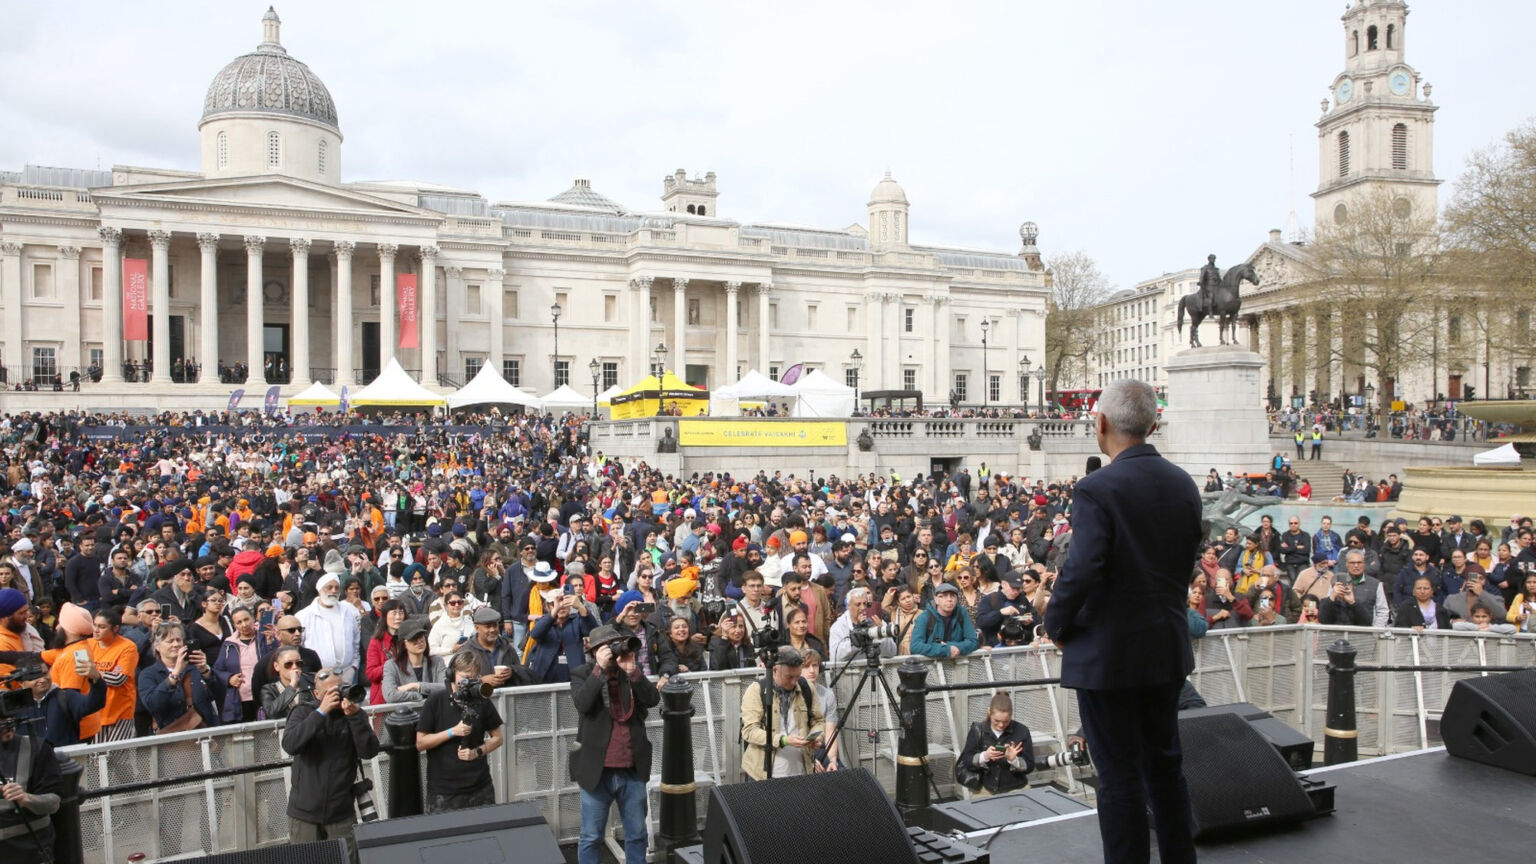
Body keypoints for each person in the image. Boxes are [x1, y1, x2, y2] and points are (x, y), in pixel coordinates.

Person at [1042, 379, 1200, 864]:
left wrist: (1056, 624)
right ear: (1153, 424)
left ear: (1101, 423)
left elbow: (1082, 568)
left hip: (1109, 659)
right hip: (1166, 649)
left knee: (1118, 779)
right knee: (1166, 769)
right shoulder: (1184, 483)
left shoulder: (1096, 489)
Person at [570, 624, 660, 864]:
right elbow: (582, 704)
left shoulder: (630, 671)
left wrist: (632, 671)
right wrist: (599, 669)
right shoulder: (582, 673)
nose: (614, 651)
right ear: (594, 651)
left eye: (616, 645)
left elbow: (653, 700)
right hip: (596, 771)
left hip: (632, 769)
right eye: (607, 647)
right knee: (591, 836)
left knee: (637, 835)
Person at [282, 666, 381, 861]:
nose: (337, 695)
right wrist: (321, 712)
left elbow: (369, 751)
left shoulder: (354, 715)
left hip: (341, 813)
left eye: (340, 688)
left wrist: (355, 717)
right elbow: (290, 744)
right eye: (330, 692)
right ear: (317, 694)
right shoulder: (303, 712)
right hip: (304, 815)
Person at [416, 650, 504, 813]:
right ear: (452, 674)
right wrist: (452, 732)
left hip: (480, 787)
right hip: (444, 791)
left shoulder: (481, 700)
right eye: (464, 677)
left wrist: (478, 752)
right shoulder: (436, 701)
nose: (468, 683)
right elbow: (421, 743)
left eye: (473, 678)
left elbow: (498, 738)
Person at [740, 645, 824, 781]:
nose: (793, 682)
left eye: (797, 676)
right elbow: (749, 731)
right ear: (774, 670)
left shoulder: (806, 687)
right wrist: (783, 740)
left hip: (802, 771)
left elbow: (819, 721)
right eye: (789, 677)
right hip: (763, 774)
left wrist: (817, 737)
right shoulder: (757, 690)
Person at [0, 702, 62, 861]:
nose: (7, 727)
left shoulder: (37, 748)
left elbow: (54, 802)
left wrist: (25, 798)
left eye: (8, 720)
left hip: (30, 848)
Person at [138, 620, 226, 731]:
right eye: (170, 641)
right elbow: (153, 705)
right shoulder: (148, 674)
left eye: (178, 640)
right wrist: (175, 674)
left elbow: (220, 694)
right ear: (157, 646)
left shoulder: (195, 668)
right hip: (171, 739)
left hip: (205, 734)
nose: (176, 644)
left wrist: (206, 671)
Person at [955, 692, 1036, 798]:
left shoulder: (1022, 731)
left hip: (1017, 788)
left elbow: (1030, 766)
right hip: (984, 789)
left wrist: (1014, 760)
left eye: (1006, 721)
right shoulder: (977, 730)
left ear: (1011, 715)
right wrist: (985, 756)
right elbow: (967, 761)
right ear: (989, 713)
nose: (1001, 725)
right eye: (996, 721)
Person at [297, 573, 362, 682]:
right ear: (320, 590)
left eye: (336, 587)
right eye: (329, 587)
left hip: (347, 673)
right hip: (317, 676)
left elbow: (356, 640)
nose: (333, 591)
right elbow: (299, 645)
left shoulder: (348, 610)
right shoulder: (304, 615)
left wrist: (354, 665)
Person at [910, 583, 979, 659]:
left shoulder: (961, 613)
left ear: (957, 599)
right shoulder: (925, 617)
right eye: (944, 596)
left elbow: (973, 641)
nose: (949, 599)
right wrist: (945, 650)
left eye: (952, 596)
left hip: (957, 664)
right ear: (936, 600)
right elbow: (915, 646)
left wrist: (952, 646)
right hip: (932, 665)